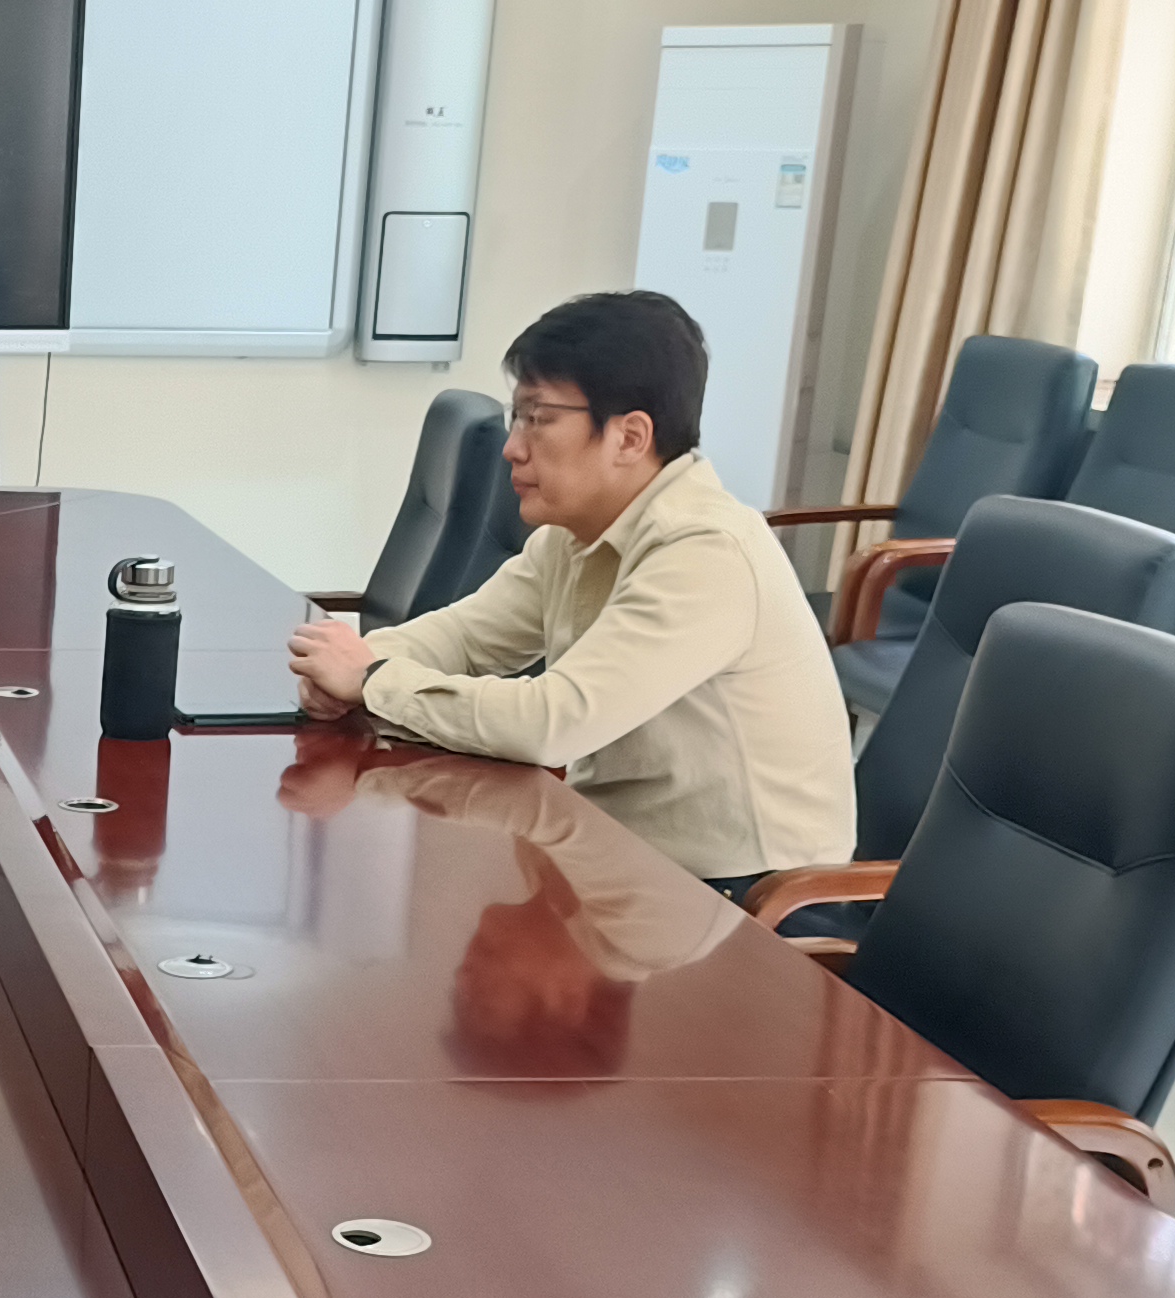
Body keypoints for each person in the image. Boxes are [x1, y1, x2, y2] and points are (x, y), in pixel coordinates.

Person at [287, 291, 853, 891]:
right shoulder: (577, 532)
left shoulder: (704, 551)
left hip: (745, 897)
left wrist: (372, 680)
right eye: (516, 416)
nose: (512, 446)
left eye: (538, 418)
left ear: (629, 438)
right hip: (619, 858)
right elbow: (465, 637)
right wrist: (350, 670)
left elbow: (552, 723)